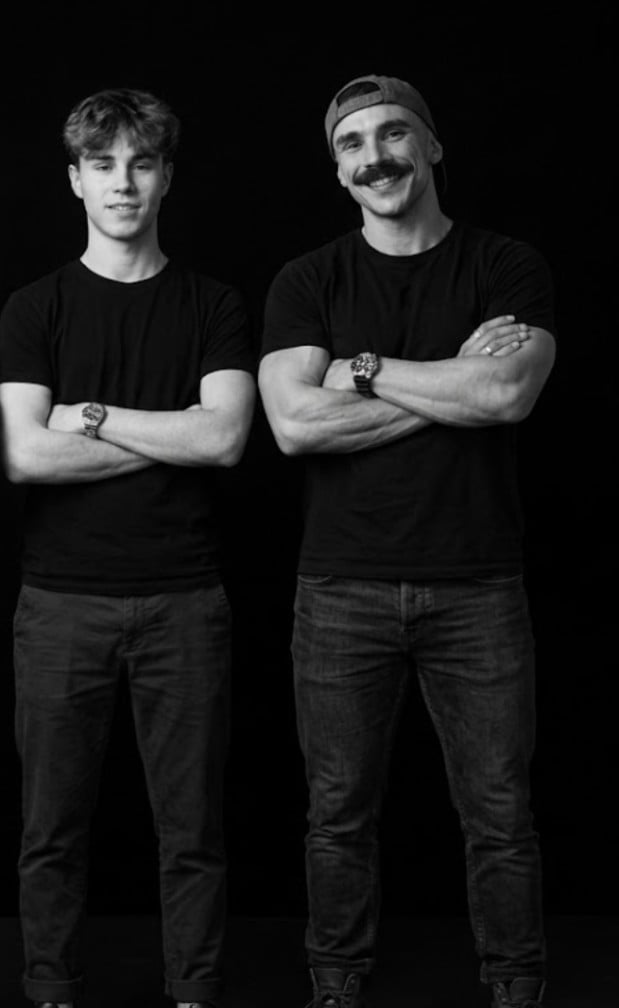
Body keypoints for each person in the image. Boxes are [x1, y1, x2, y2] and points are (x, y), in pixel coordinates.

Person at [258, 75, 555, 1008]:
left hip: (477, 586)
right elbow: (293, 427)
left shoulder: (507, 267)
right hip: (339, 588)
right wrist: (446, 385)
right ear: (339, 171)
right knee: (336, 817)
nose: (373, 156)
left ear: (431, 148)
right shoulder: (308, 280)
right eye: (350, 144)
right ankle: (335, 987)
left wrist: (365, 372)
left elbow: (506, 395)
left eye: (393, 135)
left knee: (500, 816)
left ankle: (516, 985)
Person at [0, 88, 255, 1008]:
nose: (122, 182)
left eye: (140, 163)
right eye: (102, 165)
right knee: (51, 830)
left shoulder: (213, 304)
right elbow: (25, 453)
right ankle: (51, 992)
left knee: (190, 830)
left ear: (166, 177)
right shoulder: (36, 307)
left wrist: (95, 418)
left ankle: (193, 993)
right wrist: (166, 432)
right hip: (60, 603)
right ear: (75, 181)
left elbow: (224, 442)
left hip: (185, 600)